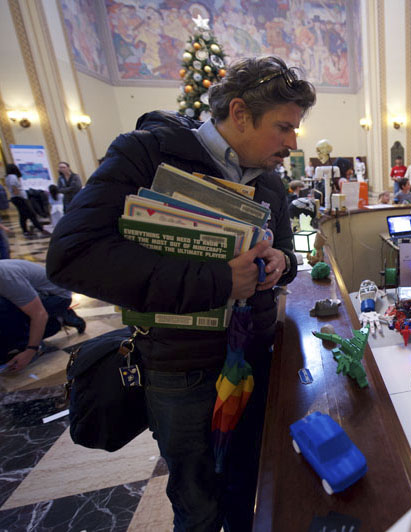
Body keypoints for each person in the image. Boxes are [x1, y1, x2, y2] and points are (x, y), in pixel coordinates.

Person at [47, 56, 315, 531]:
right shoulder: (147, 155)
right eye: (283, 127)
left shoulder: (270, 181)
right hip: (179, 367)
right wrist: (217, 282)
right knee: (197, 501)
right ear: (239, 113)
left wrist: (281, 264)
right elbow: (73, 255)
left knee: (249, 481)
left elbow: (290, 257)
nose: (293, 143)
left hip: (252, 356)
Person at [1, 259, 85, 372]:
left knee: (5, 308)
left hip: (57, 297)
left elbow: (39, 314)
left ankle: (54, 323)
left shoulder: (6, 278)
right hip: (33, 293)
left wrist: (31, 350)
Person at [5, 164, 48, 237]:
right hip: (19, 198)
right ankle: (41, 229)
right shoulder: (13, 177)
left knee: (23, 216)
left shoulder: (7, 177)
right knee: (31, 214)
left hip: (16, 198)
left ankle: (25, 231)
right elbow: (14, 187)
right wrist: (19, 194)